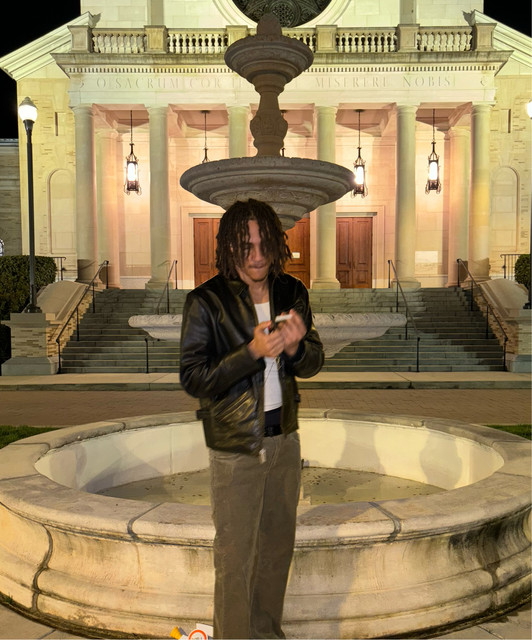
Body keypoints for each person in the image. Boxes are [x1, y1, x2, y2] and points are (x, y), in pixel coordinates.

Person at [179, 199, 324, 639]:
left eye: (264, 244)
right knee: (235, 559)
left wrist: (296, 348)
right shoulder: (206, 301)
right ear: (229, 247)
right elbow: (194, 377)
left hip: (284, 440)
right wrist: (251, 353)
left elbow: (314, 361)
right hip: (235, 447)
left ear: (277, 244)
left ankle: (267, 634)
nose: (257, 255)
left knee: (276, 553)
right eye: (246, 246)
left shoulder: (292, 292)